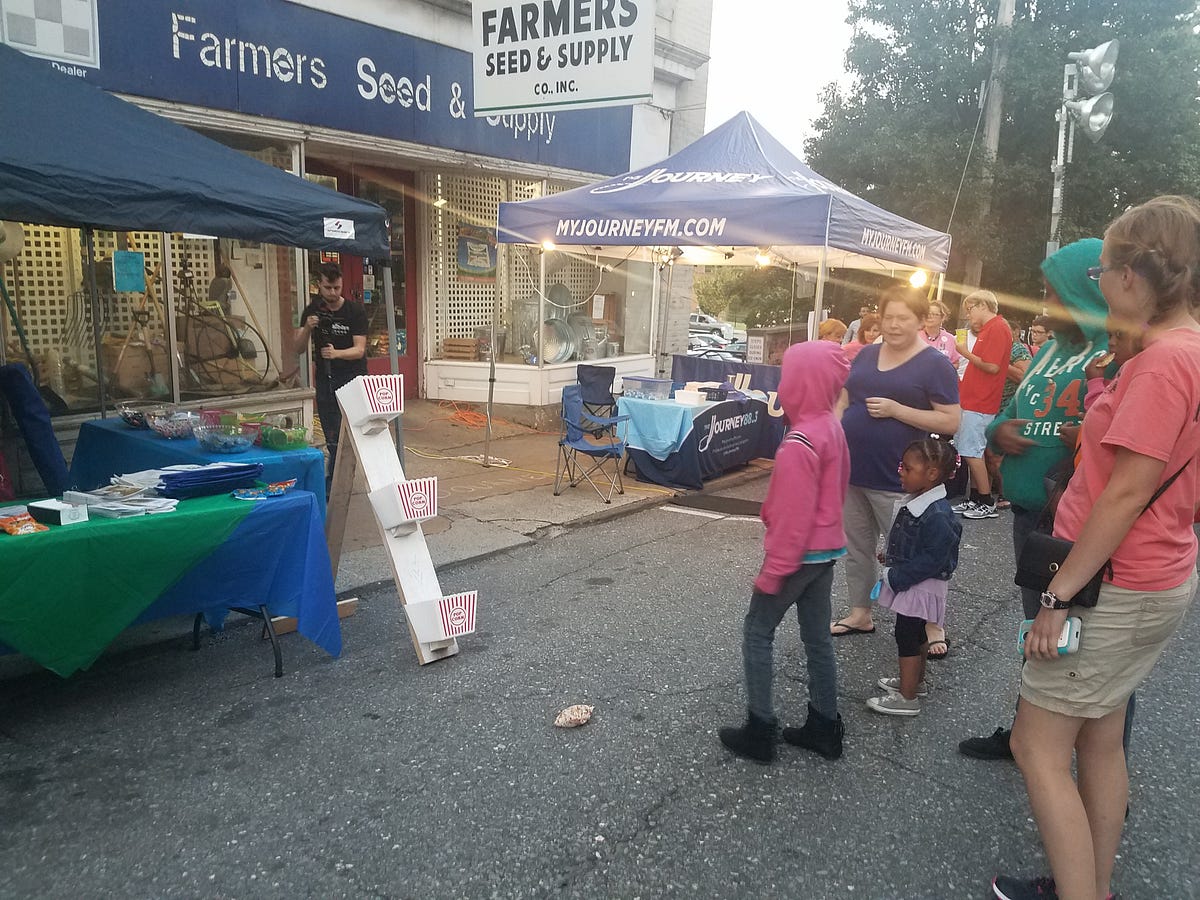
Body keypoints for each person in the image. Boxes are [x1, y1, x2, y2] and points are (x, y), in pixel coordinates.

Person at [993, 196, 1200, 900]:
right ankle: (1092, 886)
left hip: (1112, 584)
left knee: (1035, 747)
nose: (1100, 283)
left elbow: (1124, 492)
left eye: (1104, 269)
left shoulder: (1163, 363)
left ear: (1132, 275)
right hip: (1149, 575)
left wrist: (1058, 596)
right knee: (1100, 738)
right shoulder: (1183, 352)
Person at [958, 239, 1109, 762]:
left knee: (1091, 650)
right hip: (1030, 517)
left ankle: (1099, 761)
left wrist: (1086, 435)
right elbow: (1010, 411)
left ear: (1084, 289)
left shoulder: (1114, 352)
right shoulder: (1049, 350)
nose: (1046, 304)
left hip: (1080, 525)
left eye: (1054, 292)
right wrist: (999, 432)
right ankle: (1027, 735)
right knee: (1038, 633)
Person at [718, 340, 851, 763]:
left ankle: (760, 729)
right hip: (826, 552)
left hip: (798, 556)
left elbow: (794, 519)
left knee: (757, 631)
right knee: (817, 639)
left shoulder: (799, 441)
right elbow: (835, 491)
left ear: (801, 384)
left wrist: (773, 571)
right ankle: (825, 725)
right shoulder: (830, 426)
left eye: (787, 377)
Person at [829, 284, 961, 642]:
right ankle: (860, 612)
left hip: (901, 479)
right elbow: (844, 399)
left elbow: (951, 420)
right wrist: (834, 430)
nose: (894, 325)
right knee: (857, 549)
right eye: (888, 317)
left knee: (917, 553)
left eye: (903, 318)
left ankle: (932, 624)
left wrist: (897, 410)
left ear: (920, 320)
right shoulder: (867, 354)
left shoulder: (935, 364)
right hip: (853, 470)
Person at [867, 437, 962, 716]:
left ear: (931, 474)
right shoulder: (921, 502)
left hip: (919, 584)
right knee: (917, 632)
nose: (900, 472)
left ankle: (907, 698)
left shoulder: (936, 514)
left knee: (906, 635)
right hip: (917, 581)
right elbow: (916, 544)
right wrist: (893, 556)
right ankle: (915, 683)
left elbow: (934, 558)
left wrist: (898, 575)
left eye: (907, 469)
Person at [293, 262, 368, 489]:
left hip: (353, 378)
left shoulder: (354, 311)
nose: (333, 293)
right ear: (319, 285)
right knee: (332, 434)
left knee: (356, 432)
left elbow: (360, 350)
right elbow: (298, 348)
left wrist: (336, 354)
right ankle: (335, 482)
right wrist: (308, 328)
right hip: (326, 379)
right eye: (328, 288)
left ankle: (341, 479)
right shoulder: (313, 310)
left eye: (337, 288)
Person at [952, 290, 1013, 519]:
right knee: (970, 450)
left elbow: (992, 367)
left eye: (970, 309)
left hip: (981, 401)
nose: (968, 315)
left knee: (971, 451)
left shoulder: (997, 328)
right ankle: (976, 497)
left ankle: (986, 501)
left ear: (982, 306)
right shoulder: (991, 328)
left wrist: (965, 353)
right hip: (973, 399)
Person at [921, 300, 962, 365]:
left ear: (943, 317)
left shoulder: (950, 339)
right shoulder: (914, 336)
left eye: (934, 314)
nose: (929, 316)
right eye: (927, 313)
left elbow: (955, 363)